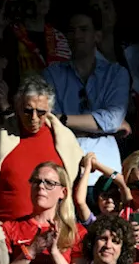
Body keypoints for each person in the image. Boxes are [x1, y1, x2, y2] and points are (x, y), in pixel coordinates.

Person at [0, 74, 84, 221]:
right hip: (5, 231)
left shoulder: (65, 139)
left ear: (49, 110)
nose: (34, 117)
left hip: (52, 231)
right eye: (28, 111)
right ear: (17, 107)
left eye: (41, 112)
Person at [44, 11, 130, 183]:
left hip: (105, 162)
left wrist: (62, 119)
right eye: (71, 31)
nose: (76, 35)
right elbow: (47, 120)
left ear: (97, 36)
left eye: (83, 29)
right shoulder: (52, 73)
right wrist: (102, 126)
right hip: (64, 160)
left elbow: (112, 119)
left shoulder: (116, 73)